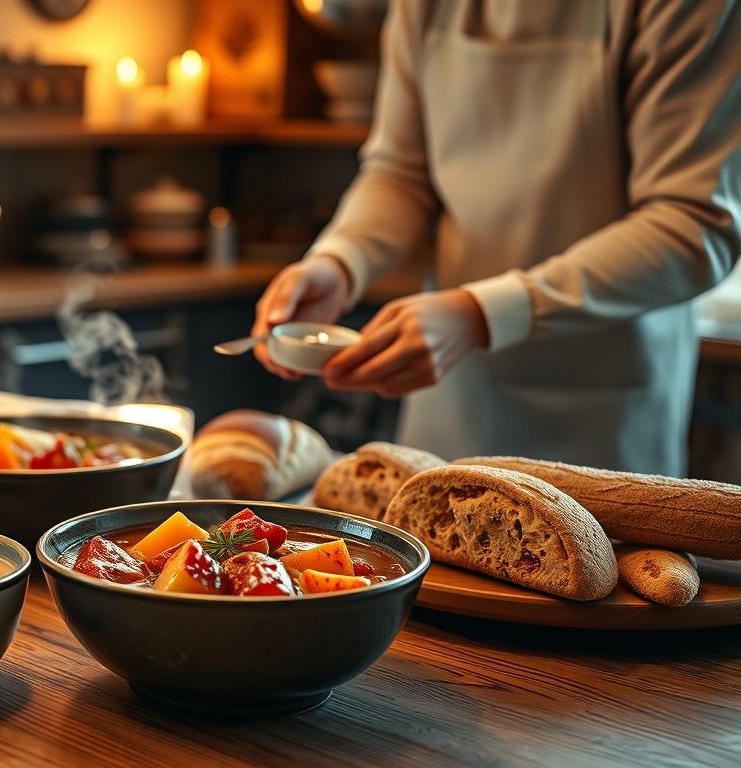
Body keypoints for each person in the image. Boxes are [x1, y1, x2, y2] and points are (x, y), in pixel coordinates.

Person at [253, 0, 741, 474]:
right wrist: (339, 262)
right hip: (452, 397)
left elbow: (693, 224)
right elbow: (401, 172)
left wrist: (483, 313)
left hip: (601, 411)